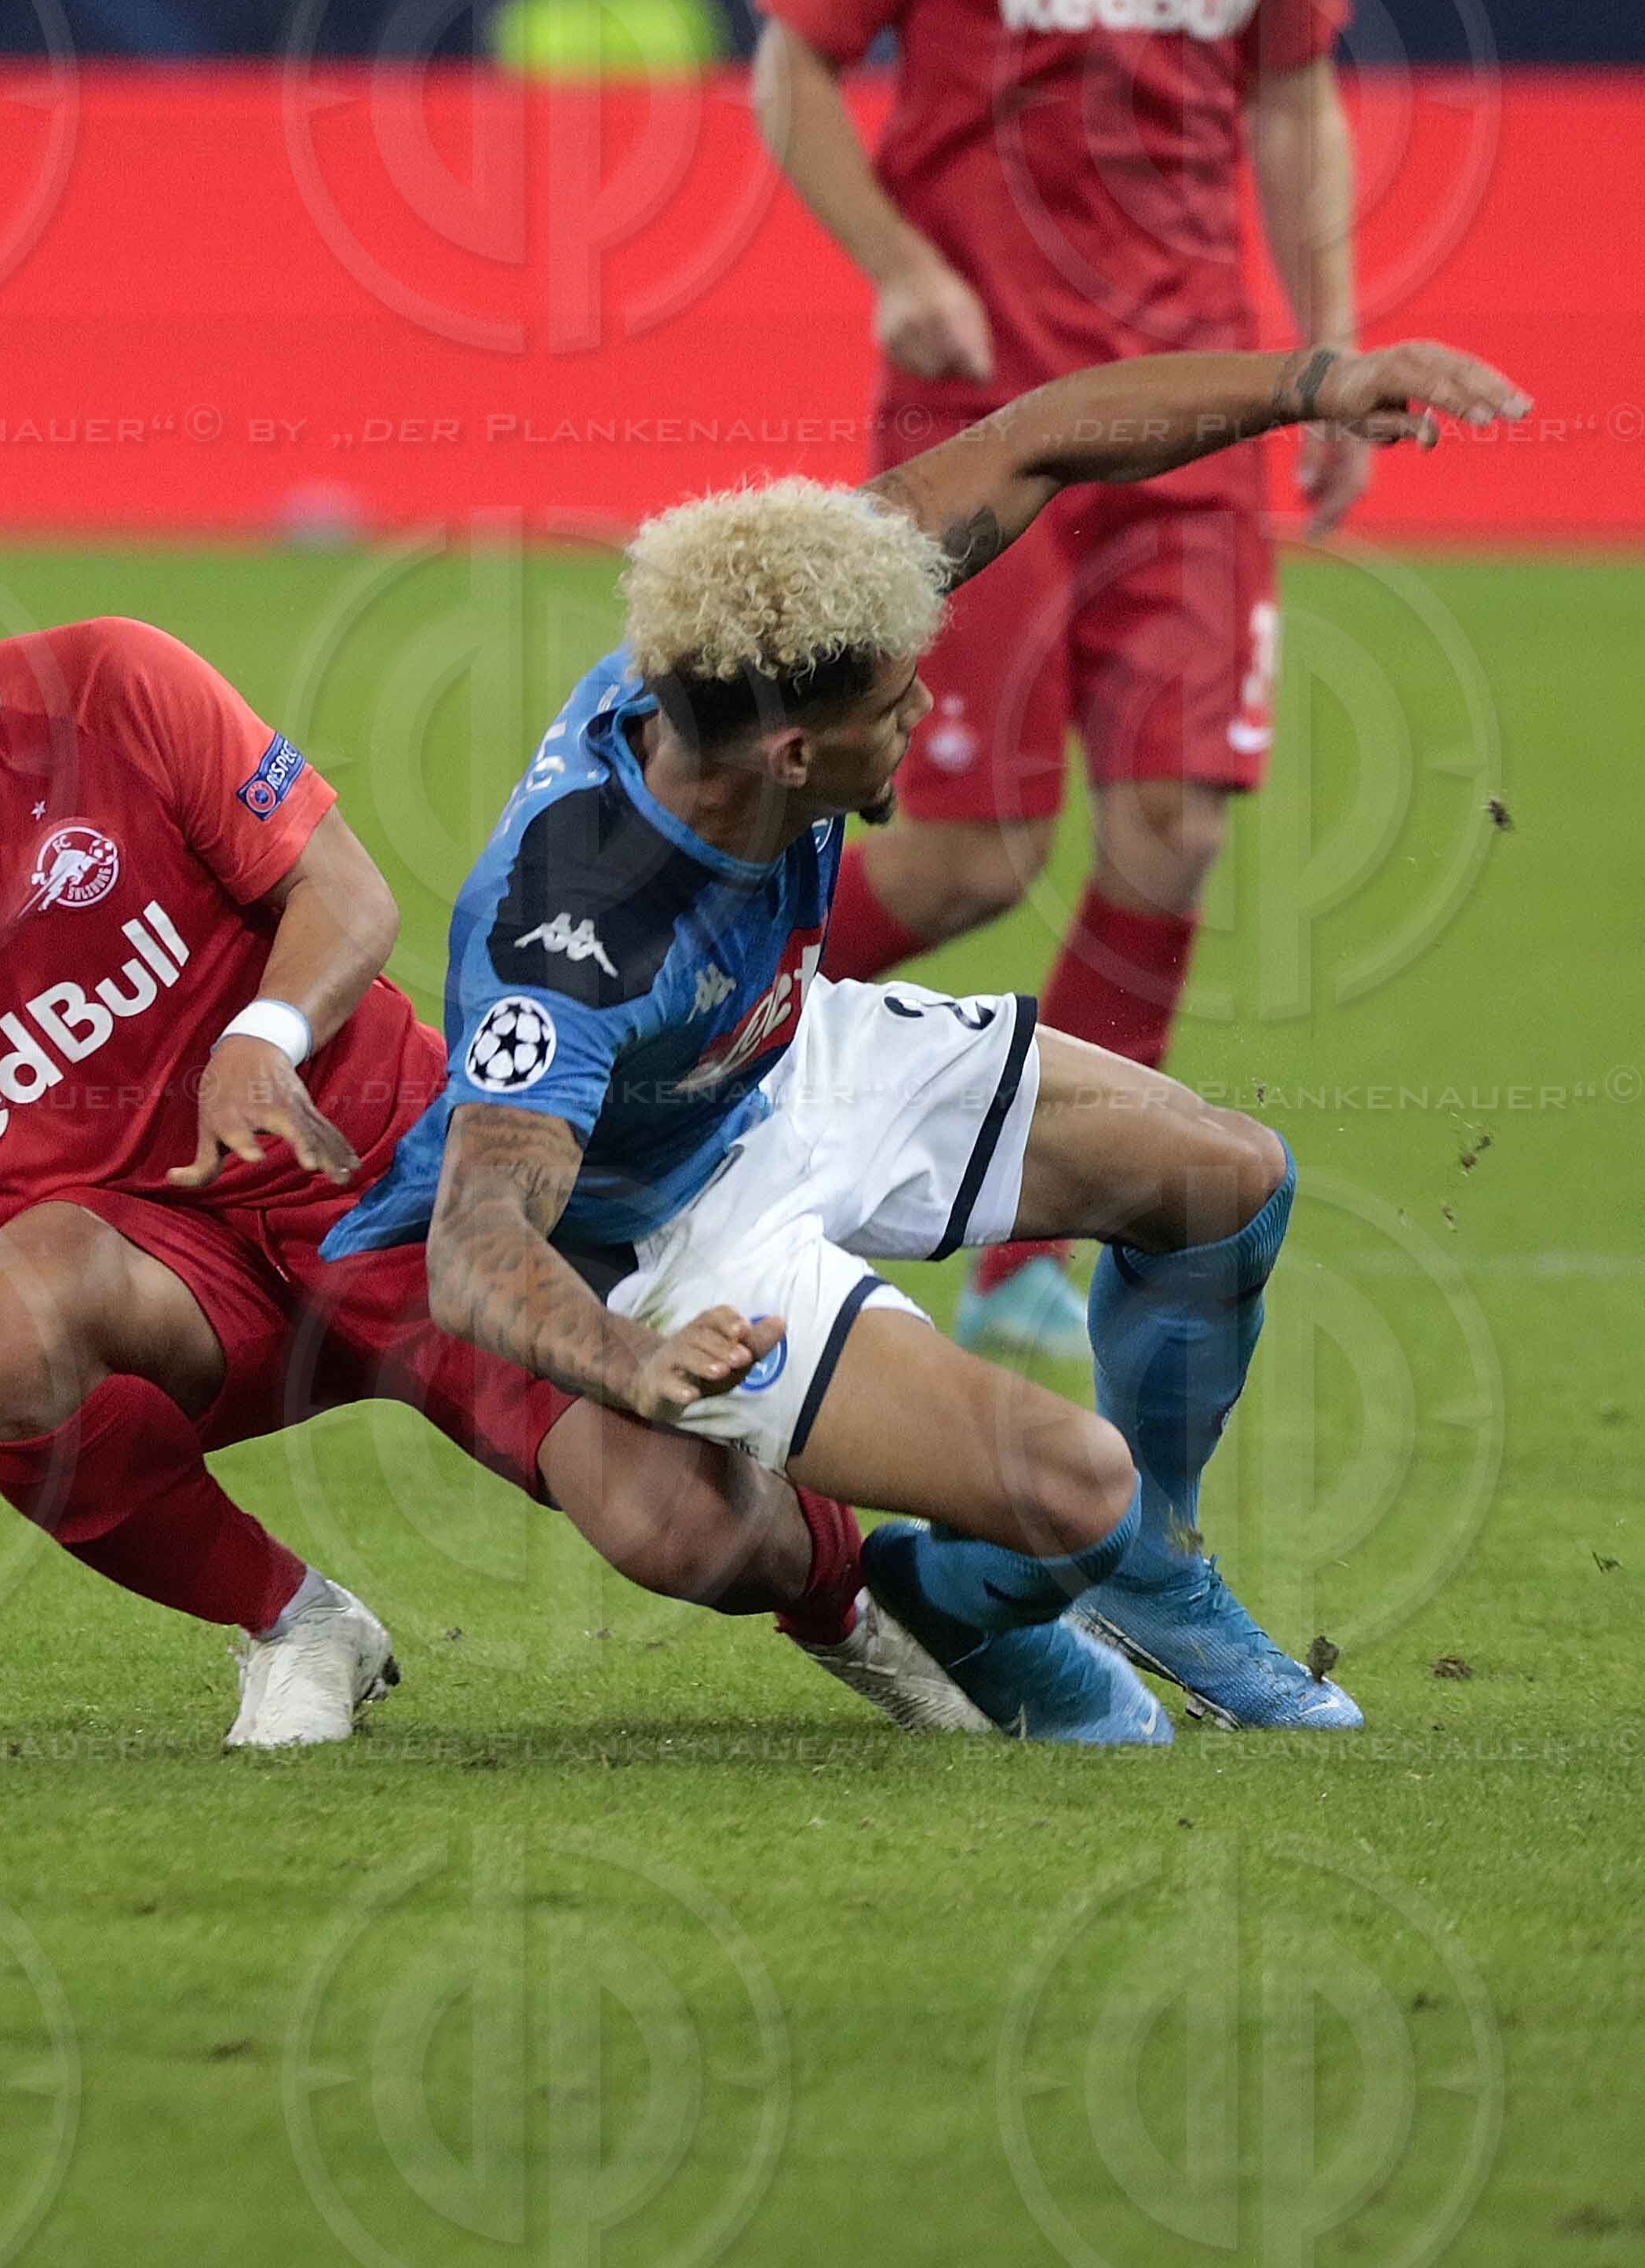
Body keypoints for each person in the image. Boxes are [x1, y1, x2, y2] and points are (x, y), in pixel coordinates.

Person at [0, 489, 975, 1758]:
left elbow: (346, 895)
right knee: (1, 1324)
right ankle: (299, 1622)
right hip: (186, 1296)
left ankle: (874, 1607)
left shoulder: (114, 684)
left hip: (404, 1200)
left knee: (685, 1534)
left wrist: (265, 1035)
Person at [328, 338, 1526, 1740]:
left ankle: (1153, 1570)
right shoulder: (570, 944)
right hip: (671, 1229)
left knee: (1230, 1181)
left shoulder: (771, 631)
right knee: (1074, 1487)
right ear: (793, 757)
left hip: (774, 1056)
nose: (926, 712)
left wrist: (1310, 384)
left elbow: (1041, 436)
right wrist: (631, 1364)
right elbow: (473, 1248)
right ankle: (951, 1599)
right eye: (896, 705)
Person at [746, 0, 1362, 1379]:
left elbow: (1292, 95)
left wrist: (1332, 348)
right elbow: (788, 65)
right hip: (984, 421)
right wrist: (895, 262)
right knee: (969, 856)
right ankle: (685, 1037)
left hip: (1186, 412)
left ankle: (1036, 1245)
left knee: (1173, 825)